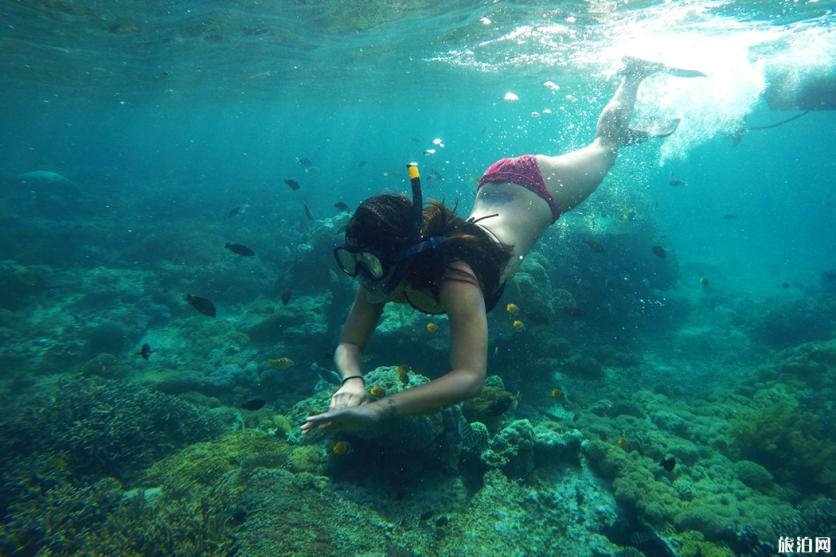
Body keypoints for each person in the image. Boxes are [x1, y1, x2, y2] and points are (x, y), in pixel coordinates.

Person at [301, 57, 700, 435]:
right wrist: (352, 381)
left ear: (404, 254)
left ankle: (631, 75)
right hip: (495, 186)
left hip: (537, 186)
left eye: (368, 261)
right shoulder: (379, 269)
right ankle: (623, 128)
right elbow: (351, 343)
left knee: (605, 148)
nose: (362, 276)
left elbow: (469, 378)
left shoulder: (456, 279)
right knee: (606, 147)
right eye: (353, 261)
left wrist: (377, 410)